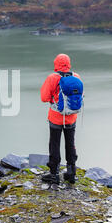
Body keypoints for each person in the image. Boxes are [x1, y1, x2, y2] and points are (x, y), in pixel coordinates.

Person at [40, 54, 81, 184]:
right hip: (71, 117)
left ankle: (54, 175)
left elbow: (44, 97)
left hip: (56, 117)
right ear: (68, 64)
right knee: (70, 143)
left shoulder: (52, 78)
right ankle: (71, 172)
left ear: (56, 64)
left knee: (54, 144)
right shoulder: (76, 76)